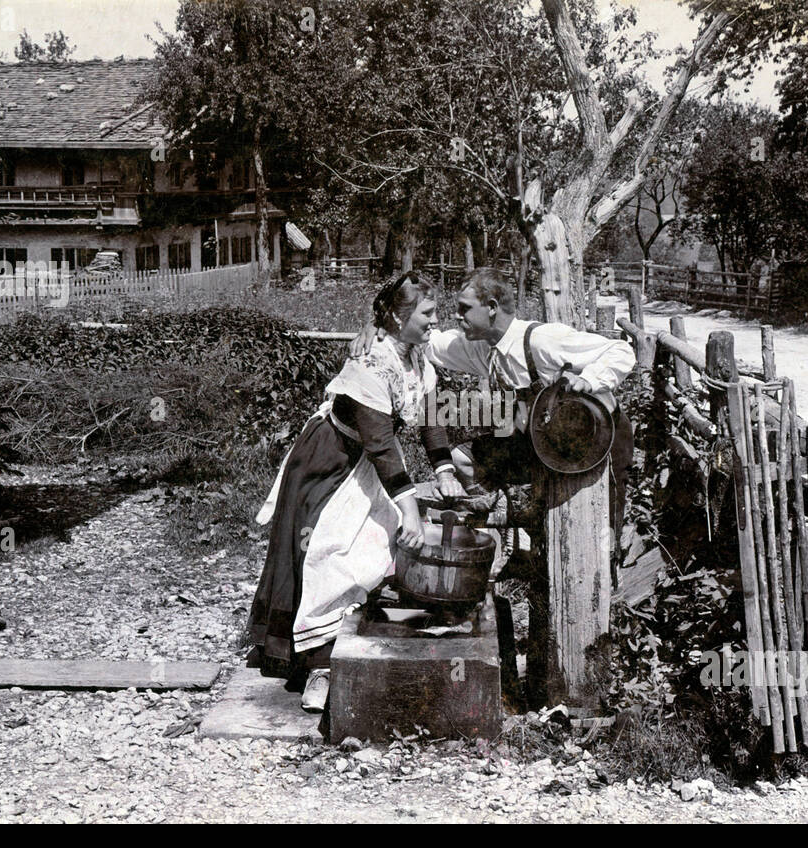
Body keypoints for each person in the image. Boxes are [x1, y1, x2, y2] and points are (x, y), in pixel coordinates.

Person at [247, 272, 466, 712]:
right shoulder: (370, 364)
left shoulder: (416, 356)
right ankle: (318, 666)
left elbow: (430, 417)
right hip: (329, 462)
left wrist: (444, 468)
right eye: (427, 313)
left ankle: (354, 635)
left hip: (365, 462)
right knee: (329, 554)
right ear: (399, 316)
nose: (435, 321)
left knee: (374, 547)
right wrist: (411, 510)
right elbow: (382, 445)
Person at [353, 267, 636, 536]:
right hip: (546, 440)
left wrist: (590, 380)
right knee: (463, 457)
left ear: (491, 307)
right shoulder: (480, 346)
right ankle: (507, 515)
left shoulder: (541, 340)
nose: (455, 315)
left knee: (602, 533)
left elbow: (621, 351)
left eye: (464, 308)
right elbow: (425, 340)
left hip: (599, 439)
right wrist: (379, 324)